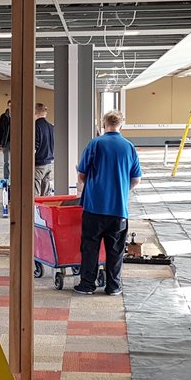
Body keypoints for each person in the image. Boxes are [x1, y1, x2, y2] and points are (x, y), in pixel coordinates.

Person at [73, 110, 141, 296]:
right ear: (121, 125)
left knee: (90, 247)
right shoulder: (129, 147)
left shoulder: (94, 144)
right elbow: (136, 179)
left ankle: (87, 284)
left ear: (104, 125)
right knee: (116, 249)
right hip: (118, 210)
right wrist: (120, 189)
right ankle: (113, 286)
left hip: (94, 207)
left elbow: (82, 175)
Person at [33, 103, 55, 196]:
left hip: (39, 164)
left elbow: (34, 146)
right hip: (49, 163)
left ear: (35, 112)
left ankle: (34, 210)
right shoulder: (51, 127)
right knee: (45, 193)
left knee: (35, 192)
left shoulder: (35, 126)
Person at [0, 100, 12, 181]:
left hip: (16, 142)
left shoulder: (19, 115)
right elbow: (1, 130)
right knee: (7, 162)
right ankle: (6, 178)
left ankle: (14, 177)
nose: (11, 107)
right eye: (10, 105)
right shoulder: (3, 116)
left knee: (15, 162)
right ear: (7, 106)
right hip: (6, 142)